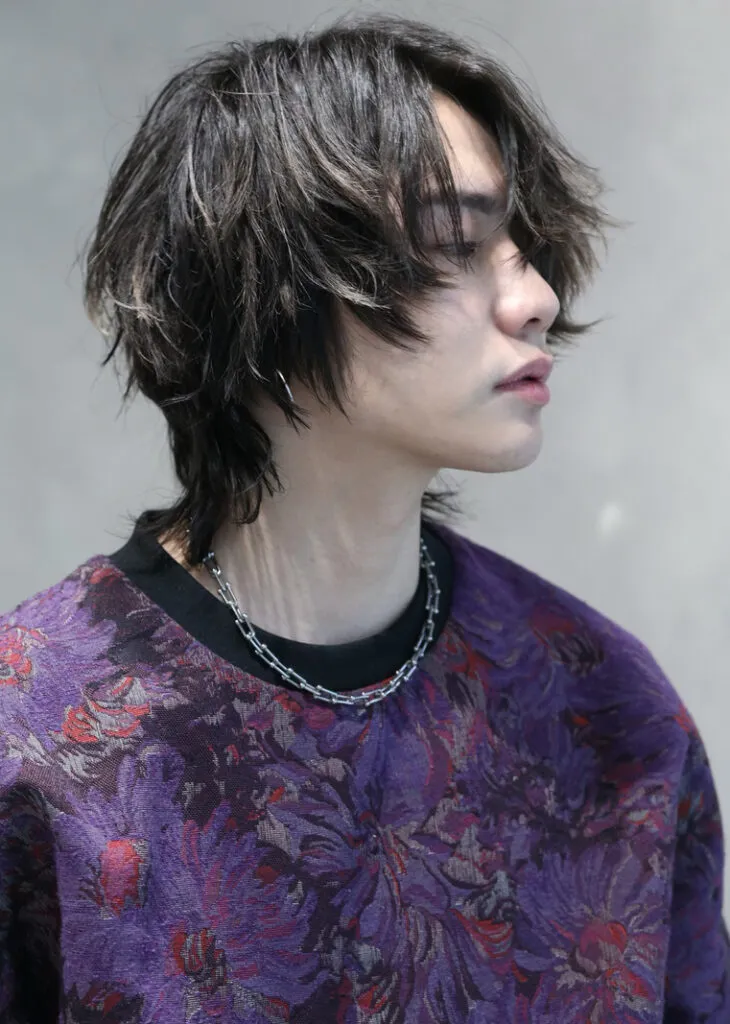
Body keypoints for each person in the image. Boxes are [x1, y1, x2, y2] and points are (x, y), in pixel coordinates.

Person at [0, 13, 727, 1022]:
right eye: (455, 243)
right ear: (263, 286)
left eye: (524, 247)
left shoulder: (606, 709)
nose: (535, 298)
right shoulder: (37, 733)